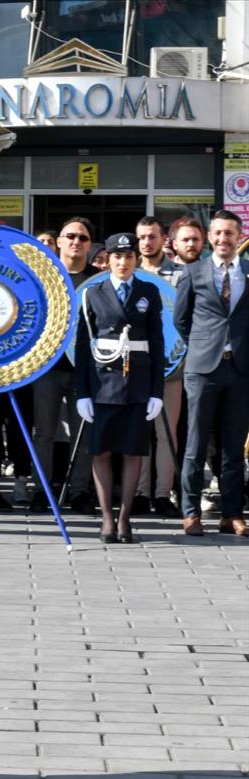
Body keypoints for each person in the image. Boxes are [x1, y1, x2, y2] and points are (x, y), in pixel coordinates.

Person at [74, 233, 165, 544]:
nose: (123, 262)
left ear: (135, 259)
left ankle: (125, 518)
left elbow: (157, 343)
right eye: (117, 257)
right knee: (100, 451)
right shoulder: (92, 294)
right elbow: (83, 346)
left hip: (137, 383)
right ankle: (107, 518)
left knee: (133, 452)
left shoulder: (148, 292)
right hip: (102, 382)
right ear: (107, 260)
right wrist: (82, 392)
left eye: (128, 257)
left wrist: (157, 392)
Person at [175, 210, 248, 537]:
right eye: (217, 233)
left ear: (238, 236)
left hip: (240, 368)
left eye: (229, 233)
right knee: (195, 442)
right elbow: (181, 320)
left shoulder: (247, 272)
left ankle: (232, 513)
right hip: (203, 368)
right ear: (210, 236)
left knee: (233, 446)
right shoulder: (193, 272)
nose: (223, 239)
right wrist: (204, 343)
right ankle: (191, 512)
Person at [29, 216, 96, 514]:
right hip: (48, 368)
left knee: (83, 433)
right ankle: (41, 490)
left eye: (82, 238)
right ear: (58, 241)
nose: (76, 242)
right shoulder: (42, 278)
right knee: (43, 431)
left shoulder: (98, 281)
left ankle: (79, 491)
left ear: (90, 244)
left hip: (85, 370)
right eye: (70, 236)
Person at [133, 215, 183, 518]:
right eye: (142, 237)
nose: (146, 242)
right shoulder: (130, 273)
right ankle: (140, 493)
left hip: (172, 367)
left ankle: (163, 494)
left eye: (152, 236)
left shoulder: (181, 274)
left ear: (164, 238)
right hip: (138, 366)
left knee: (167, 433)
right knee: (140, 432)